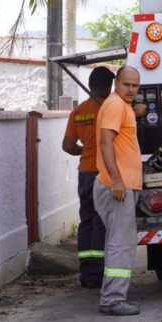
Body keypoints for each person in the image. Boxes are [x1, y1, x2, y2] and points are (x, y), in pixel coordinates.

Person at [94, 66, 143, 316]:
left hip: (120, 186)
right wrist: (116, 180)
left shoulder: (121, 106)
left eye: (135, 86)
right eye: (127, 84)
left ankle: (113, 296)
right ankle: (112, 299)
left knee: (119, 241)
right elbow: (105, 142)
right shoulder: (115, 105)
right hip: (115, 187)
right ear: (116, 84)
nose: (131, 89)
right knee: (120, 244)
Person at [62, 67, 115, 289]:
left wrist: (83, 152)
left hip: (84, 173)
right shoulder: (109, 109)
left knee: (86, 221)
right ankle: (97, 273)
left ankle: (86, 273)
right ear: (107, 86)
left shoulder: (78, 111)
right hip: (102, 173)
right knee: (101, 222)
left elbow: (67, 146)